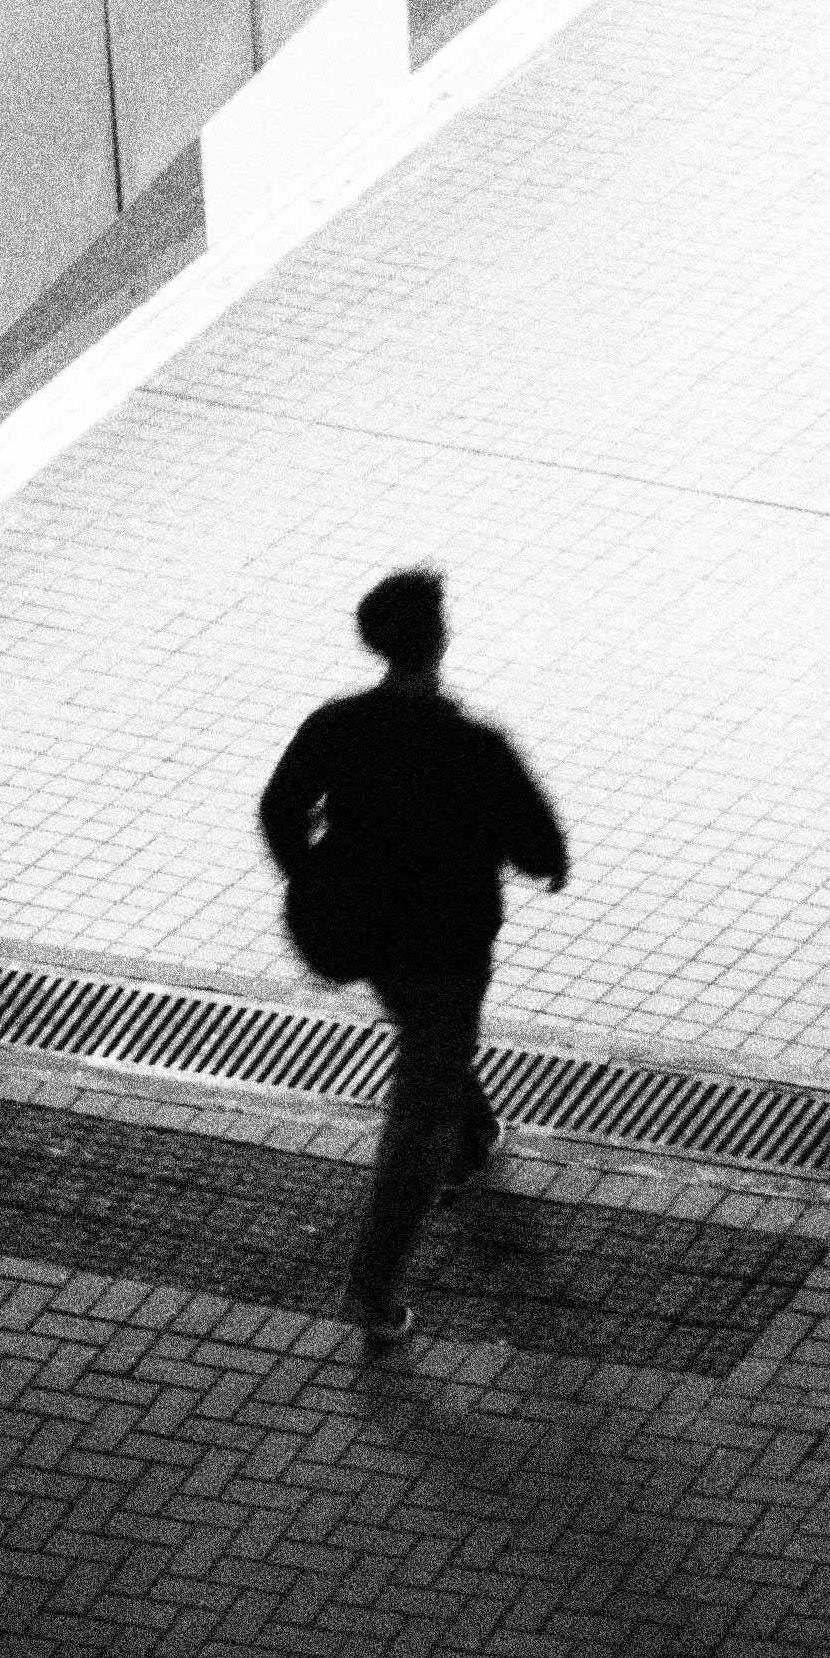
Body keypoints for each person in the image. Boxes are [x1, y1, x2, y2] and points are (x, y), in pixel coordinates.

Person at [256, 567, 567, 1354]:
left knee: (431, 1035)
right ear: (442, 639)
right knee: (416, 1111)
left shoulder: (337, 727)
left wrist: (315, 874)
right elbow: (538, 847)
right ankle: (371, 1289)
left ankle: (475, 1131)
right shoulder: (472, 747)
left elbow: (278, 807)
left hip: (368, 938)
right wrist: (537, 860)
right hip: (448, 945)